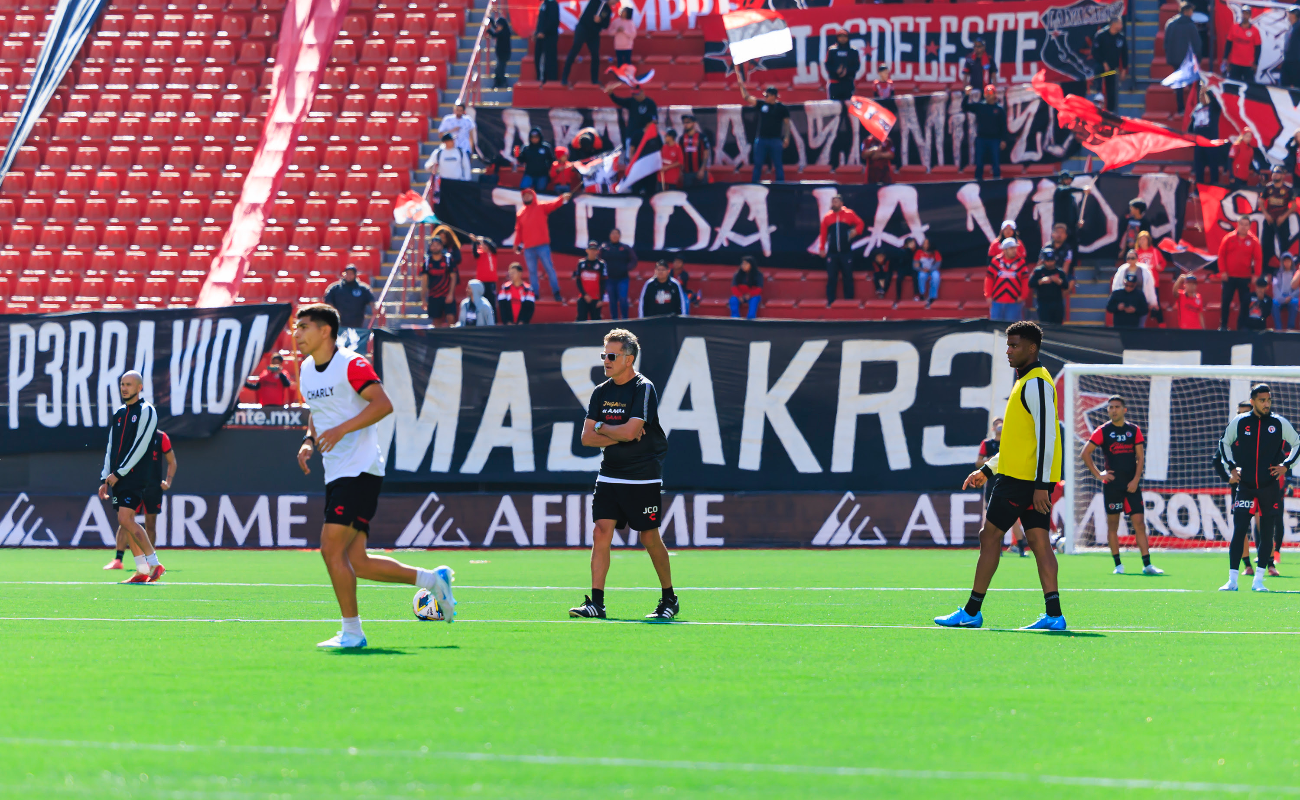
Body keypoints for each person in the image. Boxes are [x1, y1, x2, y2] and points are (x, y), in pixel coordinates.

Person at [293, 304, 455, 648]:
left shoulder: (351, 363)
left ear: (326, 331)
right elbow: (317, 411)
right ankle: (432, 579)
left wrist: (340, 430)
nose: (297, 333)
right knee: (358, 562)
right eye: (296, 327)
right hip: (336, 471)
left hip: (361, 469)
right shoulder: (306, 369)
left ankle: (352, 632)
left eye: (304, 326)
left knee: (329, 549)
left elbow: (382, 404)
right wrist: (310, 440)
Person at [939, 321, 1066, 630]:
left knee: (989, 536)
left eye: (1015, 346)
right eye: (1008, 345)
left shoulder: (1035, 383)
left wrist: (1040, 487)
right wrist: (987, 469)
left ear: (1032, 348)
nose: (1008, 351)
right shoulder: (1026, 381)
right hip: (1022, 477)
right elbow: (1017, 442)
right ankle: (1054, 615)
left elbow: (1048, 437)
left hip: (1021, 481)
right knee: (1039, 541)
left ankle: (971, 612)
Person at [569, 328, 677, 621]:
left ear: (629, 359)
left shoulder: (643, 388)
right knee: (600, 531)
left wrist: (604, 429)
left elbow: (630, 431)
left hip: (643, 475)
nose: (606, 359)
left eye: (611, 355)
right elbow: (587, 439)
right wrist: (614, 433)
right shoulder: (600, 392)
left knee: (649, 537)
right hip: (610, 474)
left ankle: (669, 598)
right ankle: (597, 603)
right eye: (604, 354)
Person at [1218, 383, 1300, 592]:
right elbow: (1224, 443)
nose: (1266, 403)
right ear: (1253, 401)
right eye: (1262, 400)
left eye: (1269, 400)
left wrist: (1286, 465)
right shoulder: (1240, 422)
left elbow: (1297, 443)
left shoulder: (1279, 423)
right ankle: (1233, 580)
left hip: (1268, 486)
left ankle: (1259, 580)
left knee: (1266, 534)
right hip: (1245, 486)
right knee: (1239, 531)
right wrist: (1232, 467)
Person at [1082, 395, 1164, 576]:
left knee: (1139, 524)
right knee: (1113, 525)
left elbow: (1140, 457)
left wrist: (1135, 480)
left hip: (1131, 486)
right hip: (1112, 486)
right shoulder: (1103, 431)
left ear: (1124, 410)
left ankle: (1147, 564)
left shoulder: (1133, 430)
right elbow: (1085, 453)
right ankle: (1118, 564)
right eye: (1110, 407)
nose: (1113, 410)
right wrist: (1098, 474)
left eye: (1117, 407)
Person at [98, 371, 165, 584]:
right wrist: (104, 478)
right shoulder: (119, 413)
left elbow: (141, 444)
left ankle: (154, 564)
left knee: (125, 519)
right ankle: (142, 570)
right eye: (122, 384)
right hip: (118, 476)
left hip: (134, 475)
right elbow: (111, 446)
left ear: (139, 387)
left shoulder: (147, 411)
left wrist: (119, 473)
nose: (124, 388)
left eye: (128, 384)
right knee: (125, 522)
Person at [104, 429, 176, 571]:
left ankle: (150, 560)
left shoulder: (161, 437)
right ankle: (118, 559)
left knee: (150, 523)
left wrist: (168, 481)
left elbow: (172, 461)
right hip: (133, 485)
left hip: (153, 487)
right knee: (124, 520)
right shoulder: (131, 435)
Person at [976, 417, 1027, 557]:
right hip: (992, 483)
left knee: (1013, 516)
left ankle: (1021, 547)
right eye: (996, 424)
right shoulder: (987, 444)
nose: (999, 426)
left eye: (1001, 424)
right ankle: (995, 548)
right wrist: (990, 460)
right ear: (993, 428)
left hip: (1009, 482)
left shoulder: (1010, 442)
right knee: (991, 517)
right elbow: (978, 463)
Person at [512, 186, 571, 302]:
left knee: (549, 269)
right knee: (532, 272)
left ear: (533, 196)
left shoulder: (541, 206)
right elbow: (519, 230)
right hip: (528, 248)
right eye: (524, 195)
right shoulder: (520, 213)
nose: (526, 196)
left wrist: (562, 198)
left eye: (528, 194)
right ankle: (535, 293)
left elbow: (554, 204)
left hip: (542, 245)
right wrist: (516, 244)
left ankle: (556, 292)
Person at [1217, 215, 1262, 329]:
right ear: (1237, 224)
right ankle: (1223, 325)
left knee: (1245, 303)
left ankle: (1242, 326)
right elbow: (1221, 255)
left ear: (1250, 226)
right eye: (1241, 224)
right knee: (1226, 301)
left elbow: (1258, 258)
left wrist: (1256, 274)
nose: (1243, 226)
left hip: (1245, 277)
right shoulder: (1228, 238)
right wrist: (1223, 271)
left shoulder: (1254, 241)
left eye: (1246, 224)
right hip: (1229, 277)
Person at [738, 83, 790, 182]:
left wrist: (787, 136)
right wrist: (741, 86)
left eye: (767, 95)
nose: (765, 97)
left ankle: (781, 187)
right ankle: (755, 185)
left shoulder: (782, 108)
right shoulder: (762, 105)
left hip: (775, 140)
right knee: (758, 164)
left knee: (778, 164)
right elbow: (746, 97)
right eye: (765, 95)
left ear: (774, 96)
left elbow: (787, 124)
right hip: (762, 139)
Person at [818, 194, 864, 305]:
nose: (834, 204)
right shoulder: (827, 217)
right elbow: (823, 234)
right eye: (833, 202)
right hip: (832, 253)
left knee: (847, 276)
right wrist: (822, 248)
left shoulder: (849, 214)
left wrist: (856, 231)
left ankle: (849, 301)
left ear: (841, 203)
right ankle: (831, 301)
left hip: (845, 252)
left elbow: (860, 224)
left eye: (836, 202)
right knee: (832, 277)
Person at [324, 265, 376, 350]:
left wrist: (374, 307)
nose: (349, 275)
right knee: (339, 347)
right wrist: (334, 314)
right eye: (347, 273)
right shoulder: (335, 288)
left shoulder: (362, 288)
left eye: (351, 273)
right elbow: (328, 301)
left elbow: (371, 300)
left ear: (355, 275)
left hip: (356, 323)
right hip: (339, 324)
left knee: (355, 348)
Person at [561, 0, 610, 85]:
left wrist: (600, 20)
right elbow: (587, 16)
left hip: (594, 34)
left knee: (595, 56)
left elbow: (606, 25)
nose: (615, 3)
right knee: (574, 51)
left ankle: (594, 80)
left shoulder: (608, 10)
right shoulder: (595, 2)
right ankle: (564, 78)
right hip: (583, 29)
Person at [962, 85, 1006, 181]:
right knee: (979, 163)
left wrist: (1003, 140)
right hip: (981, 139)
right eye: (986, 93)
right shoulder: (980, 106)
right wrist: (966, 95)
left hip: (994, 139)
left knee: (995, 162)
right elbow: (965, 107)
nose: (988, 95)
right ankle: (978, 182)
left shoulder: (999, 109)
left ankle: (997, 182)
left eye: (990, 93)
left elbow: (1003, 126)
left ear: (994, 94)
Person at [1164, 3, 1202, 111]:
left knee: (1179, 84)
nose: (1192, 13)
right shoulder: (1191, 25)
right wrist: (1198, 59)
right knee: (1192, 84)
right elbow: (1197, 45)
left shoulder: (1170, 24)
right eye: (1191, 11)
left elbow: (1166, 44)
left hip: (1175, 59)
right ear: (1186, 11)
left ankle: (1180, 108)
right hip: (1188, 61)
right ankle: (1193, 107)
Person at [604, 80, 658, 151]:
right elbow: (619, 101)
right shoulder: (632, 101)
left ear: (642, 92)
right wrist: (611, 94)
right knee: (629, 156)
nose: (635, 96)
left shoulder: (650, 103)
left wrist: (647, 131)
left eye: (637, 94)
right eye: (633, 94)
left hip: (644, 137)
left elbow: (654, 120)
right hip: (631, 134)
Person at [1260, 165, 1295, 272]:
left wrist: (1284, 217)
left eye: (1278, 173)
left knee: (1284, 245)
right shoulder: (1268, 187)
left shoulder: (1288, 189)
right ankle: (1266, 269)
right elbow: (1261, 201)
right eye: (1274, 173)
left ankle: (1285, 269)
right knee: (1266, 244)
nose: (1275, 175)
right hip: (1270, 220)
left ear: (1283, 175)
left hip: (1282, 221)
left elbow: (1294, 206)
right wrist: (1266, 214)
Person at [1110, 249, 1159, 325]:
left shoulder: (1145, 270)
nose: (1130, 260)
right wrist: (1117, 301)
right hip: (1125, 300)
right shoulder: (1122, 270)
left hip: (1140, 300)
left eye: (1132, 258)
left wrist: (1152, 302)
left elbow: (1149, 287)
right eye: (1128, 258)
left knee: (1140, 325)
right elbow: (1116, 286)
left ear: (1137, 259)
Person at [986, 238, 1026, 322]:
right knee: (995, 327)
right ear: (1004, 250)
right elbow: (989, 279)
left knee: (1013, 328)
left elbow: (1025, 281)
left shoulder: (1021, 263)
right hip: (997, 301)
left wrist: (1023, 296)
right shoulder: (995, 261)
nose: (1014, 250)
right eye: (1011, 248)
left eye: (1015, 248)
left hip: (1014, 302)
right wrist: (988, 295)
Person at [1190, 87, 1224, 184]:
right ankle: (1199, 189)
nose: (1201, 97)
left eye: (1203, 95)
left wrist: (1208, 92)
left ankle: (1214, 187)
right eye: (1200, 95)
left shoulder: (1213, 107)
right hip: (1198, 141)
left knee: (1213, 166)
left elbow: (1217, 103)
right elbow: (1192, 123)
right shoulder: (1197, 108)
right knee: (1199, 167)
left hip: (1210, 141)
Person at [601, 228, 637, 319]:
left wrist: (627, 268)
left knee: (623, 298)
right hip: (609, 279)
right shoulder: (605, 248)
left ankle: (625, 318)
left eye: (617, 233)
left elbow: (634, 260)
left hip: (623, 278)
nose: (614, 235)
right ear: (610, 236)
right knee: (612, 300)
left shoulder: (625, 248)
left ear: (620, 236)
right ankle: (614, 319)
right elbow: (598, 260)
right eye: (613, 233)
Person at [1093, 16, 1127, 112]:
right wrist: (1104, 62)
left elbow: (1125, 54)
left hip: (1112, 68)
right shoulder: (1100, 36)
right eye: (1120, 23)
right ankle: (1098, 94)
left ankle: (1111, 111)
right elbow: (1095, 52)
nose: (1121, 25)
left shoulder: (1121, 38)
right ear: (1114, 24)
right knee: (1098, 69)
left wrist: (1124, 69)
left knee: (1112, 91)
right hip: (1101, 65)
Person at [424, 234, 458, 325]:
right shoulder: (427, 261)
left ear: (441, 246)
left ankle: (451, 338)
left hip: (447, 295)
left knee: (451, 318)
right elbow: (424, 281)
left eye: (437, 245)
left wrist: (451, 294)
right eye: (433, 245)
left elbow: (453, 277)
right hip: (433, 296)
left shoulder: (448, 259)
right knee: (436, 321)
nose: (435, 247)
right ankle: (437, 339)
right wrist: (423, 299)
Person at [1029, 246, 1067, 324]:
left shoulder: (1059, 272)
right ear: (1044, 260)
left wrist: (1058, 281)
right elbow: (1031, 284)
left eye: (1052, 260)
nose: (1050, 263)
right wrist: (1041, 281)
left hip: (1057, 304)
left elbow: (1066, 286)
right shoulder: (1038, 271)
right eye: (1047, 261)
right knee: (1045, 325)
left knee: (1057, 326)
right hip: (1043, 303)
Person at [1223, 9, 1261, 83]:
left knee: (1249, 87)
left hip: (1248, 64)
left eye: (1246, 14)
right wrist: (1225, 58)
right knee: (1233, 85)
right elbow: (1228, 43)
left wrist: (1256, 63)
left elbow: (1258, 48)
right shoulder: (1234, 27)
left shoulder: (1255, 30)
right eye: (1243, 14)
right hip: (1235, 63)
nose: (1244, 16)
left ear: (1250, 16)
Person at [574, 240, 607, 321]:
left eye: (594, 250)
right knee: (581, 320)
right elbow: (578, 281)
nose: (592, 252)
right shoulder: (581, 263)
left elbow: (603, 283)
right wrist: (584, 295)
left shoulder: (601, 264)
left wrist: (601, 299)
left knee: (596, 321)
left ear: (597, 251)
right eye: (591, 249)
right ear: (587, 250)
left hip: (596, 298)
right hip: (583, 297)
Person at [1053, 172, 1087, 250]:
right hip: (1062, 226)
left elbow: (1073, 210)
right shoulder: (1059, 190)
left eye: (1070, 180)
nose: (1069, 181)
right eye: (1067, 179)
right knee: (1062, 247)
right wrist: (1082, 190)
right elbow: (1065, 189)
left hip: (1071, 227)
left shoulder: (1071, 197)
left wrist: (1077, 222)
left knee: (1073, 247)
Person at [824, 29, 860, 101]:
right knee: (834, 106)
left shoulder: (853, 51)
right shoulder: (832, 50)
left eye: (845, 36)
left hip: (848, 83)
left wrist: (847, 71)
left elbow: (857, 66)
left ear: (848, 37)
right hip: (835, 83)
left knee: (848, 105)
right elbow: (827, 64)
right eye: (840, 36)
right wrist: (836, 70)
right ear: (837, 38)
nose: (842, 38)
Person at [679, 115, 712, 187]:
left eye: (688, 122)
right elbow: (680, 156)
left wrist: (702, 170)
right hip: (687, 173)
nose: (686, 124)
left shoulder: (702, 137)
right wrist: (680, 171)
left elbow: (706, 154)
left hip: (699, 171)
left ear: (693, 123)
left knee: (702, 194)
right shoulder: (682, 138)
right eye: (684, 123)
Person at [518, 127, 555, 191]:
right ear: (530, 138)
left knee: (540, 192)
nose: (534, 139)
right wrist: (517, 154)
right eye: (532, 137)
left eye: (536, 137)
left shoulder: (546, 147)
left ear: (540, 137)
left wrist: (549, 170)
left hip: (542, 175)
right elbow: (521, 160)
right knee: (524, 188)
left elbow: (551, 160)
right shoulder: (526, 148)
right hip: (529, 174)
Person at [534, 0, 560, 83]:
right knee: (538, 58)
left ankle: (551, 80)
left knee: (550, 59)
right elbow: (540, 20)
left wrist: (544, 32)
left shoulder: (553, 4)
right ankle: (540, 78)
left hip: (550, 37)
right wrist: (537, 32)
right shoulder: (543, 4)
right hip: (540, 37)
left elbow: (553, 21)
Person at [914, 238, 941, 307]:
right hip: (923, 269)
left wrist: (930, 269)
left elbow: (938, 263)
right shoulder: (919, 252)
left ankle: (932, 296)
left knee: (936, 277)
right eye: (924, 243)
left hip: (933, 270)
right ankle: (922, 294)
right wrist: (921, 269)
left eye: (927, 244)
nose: (925, 245)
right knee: (921, 276)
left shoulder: (935, 252)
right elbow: (915, 264)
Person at [1276, 254, 1299, 329]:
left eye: (1289, 261)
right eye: (1285, 261)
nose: (1287, 263)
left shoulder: (1295, 274)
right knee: (1274, 303)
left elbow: (1298, 289)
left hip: (1291, 297)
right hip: (1280, 297)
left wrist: (1291, 297)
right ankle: (1278, 328)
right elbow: (1275, 288)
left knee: (1295, 302)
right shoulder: (1277, 274)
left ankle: (1290, 327)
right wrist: (1281, 298)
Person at [490, 14, 512, 89]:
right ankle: (497, 84)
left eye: (499, 25)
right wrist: (492, 23)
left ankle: (504, 84)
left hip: (504, 55)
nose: (497, 27)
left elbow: (494, 35)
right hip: (501, 55)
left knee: (500, 70)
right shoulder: (504, 31)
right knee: (498, 70)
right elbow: (497, 30)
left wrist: (488, 30)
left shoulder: (505, 33)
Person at [1284, 6, 1300, 89]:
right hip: (1288, 59)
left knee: (1296, 85)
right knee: (1284, 84)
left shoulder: (1298, 27)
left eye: (1290, 13)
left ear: (1294, 15)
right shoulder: (1292, 27)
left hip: (1295, 61)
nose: (1288, 15)